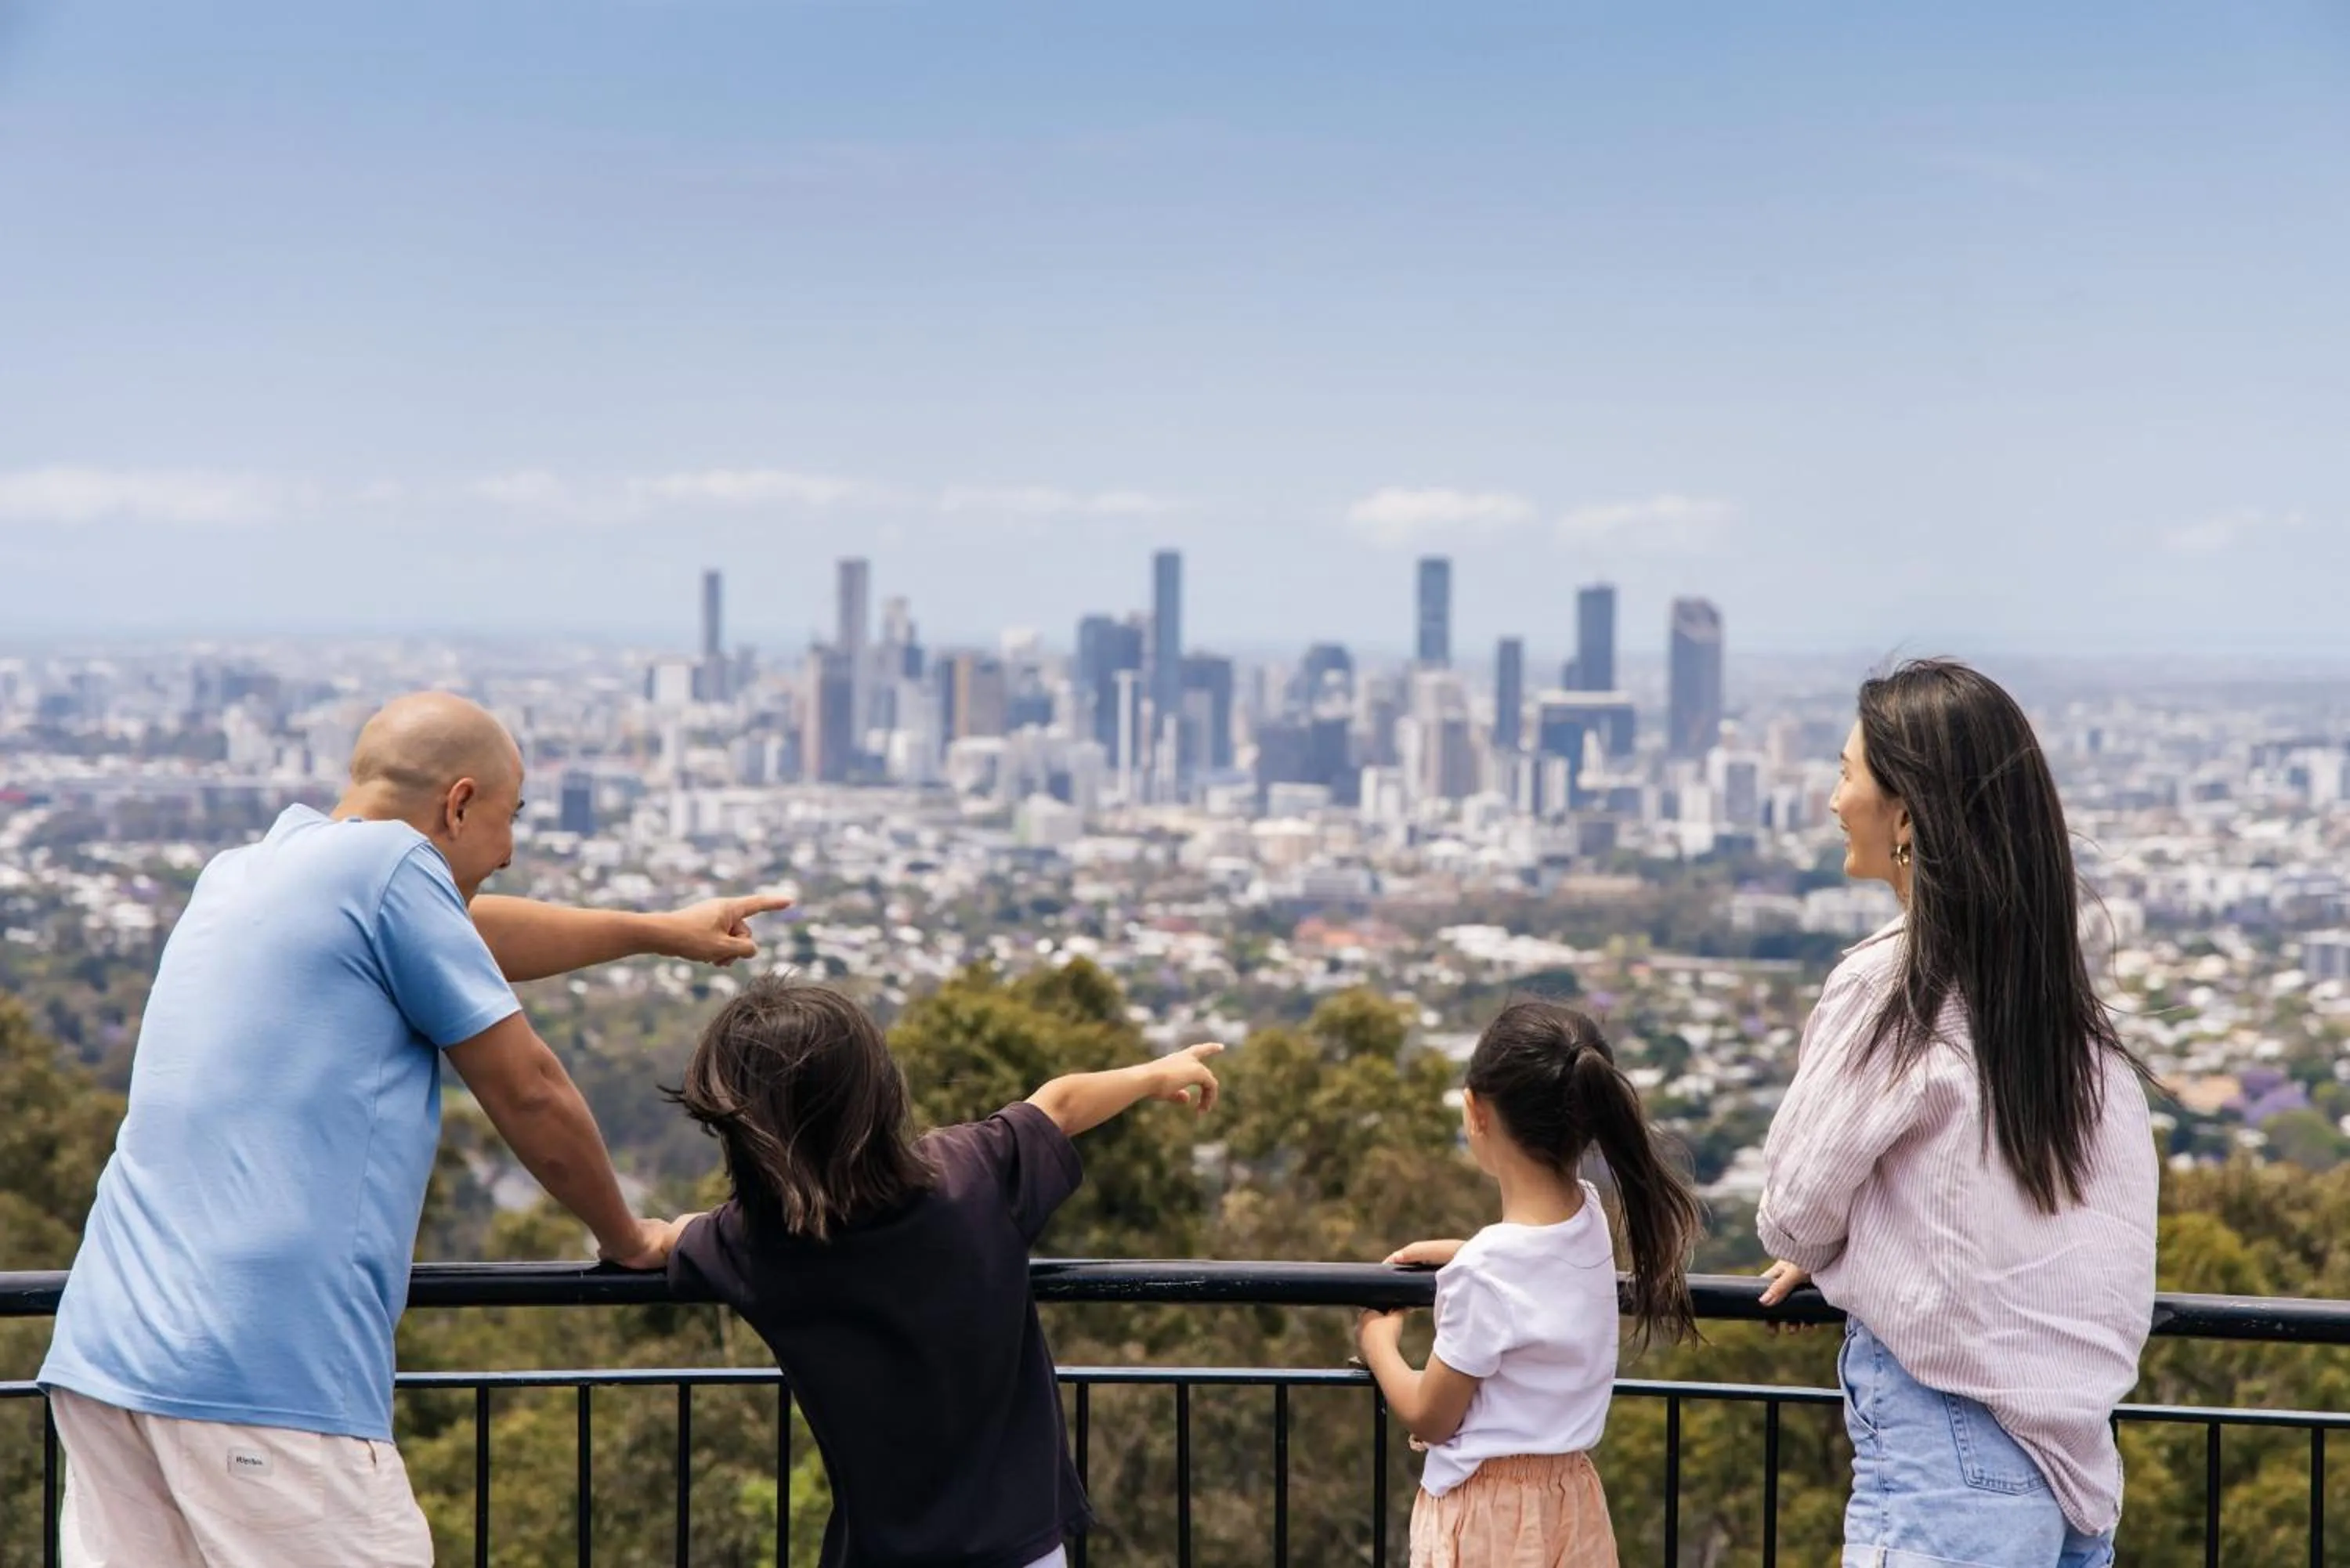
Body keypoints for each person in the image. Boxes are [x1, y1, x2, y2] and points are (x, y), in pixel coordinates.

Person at [39, 692, 791, 1568]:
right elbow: (532, 1090)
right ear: (459, 802)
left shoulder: (248, 871)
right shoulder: (393, 869)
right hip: (258, 1370)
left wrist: (655, 931)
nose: (509, 852)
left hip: (107, 1356)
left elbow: (465, 931)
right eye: (508, 821)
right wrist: (627, 1236)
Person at [1755, 659, 2159, 1568]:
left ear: (1905, 814)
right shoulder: (2064, 1008)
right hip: (2077, 1472)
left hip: (1949, 1449)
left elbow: (1791, 1211)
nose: (1832, 799)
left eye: (1848, 772)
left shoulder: (1893, 987)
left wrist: (1841, 1252)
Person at [664, 974, 1223, 1568]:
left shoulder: (752, 1244)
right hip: (1020, 1549)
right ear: (878, 1088)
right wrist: (1154, 1074)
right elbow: (1058, 1105)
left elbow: (658, 1241)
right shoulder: (970, 1175)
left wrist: (631, 1230)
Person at [1356, 1001, 1702, 1568]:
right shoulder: (1586, 1214)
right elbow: (1539, 1273)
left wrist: (1376, 1341)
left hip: (1492, 1515)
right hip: (1571, 1501)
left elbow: (1430, 1416)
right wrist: (1472, 1253)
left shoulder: (1487, 1272)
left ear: (1477, 1111)